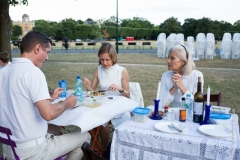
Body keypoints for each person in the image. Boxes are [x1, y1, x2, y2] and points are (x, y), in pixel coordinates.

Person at [0, 31, 90, 160]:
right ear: (37, 48)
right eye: (47, 52)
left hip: (8, 148)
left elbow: (16, 100)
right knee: (85, 136)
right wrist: (68, 103)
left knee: (54, 128)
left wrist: (51, 98)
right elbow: (48, 114)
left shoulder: (4, 71)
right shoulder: (33, 72)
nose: (47, 58)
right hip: (32, 152)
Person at [83, 43, 130, 151]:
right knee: (92, 116)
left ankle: (103, 148)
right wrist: (88, 86)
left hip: (119, 104)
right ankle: (98, 146)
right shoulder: (98, 70)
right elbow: (92, 93)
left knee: (103, 120)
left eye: (107, 60)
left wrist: (119, 88)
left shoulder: (122, 71)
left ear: (113, 58)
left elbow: (127, 95)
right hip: (104, 103)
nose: (104, 63)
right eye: (102, 60)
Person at [159, 45, 204, 109]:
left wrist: (181, 86)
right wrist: (174, 87)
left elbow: (195, 105)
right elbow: (160, 103)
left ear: (183, 62)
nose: (168, 61)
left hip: (190, 116)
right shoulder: (166, 76)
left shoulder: (197, 76)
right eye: (168, 57)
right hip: (173, 115)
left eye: (172, 58)